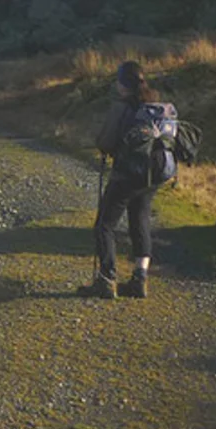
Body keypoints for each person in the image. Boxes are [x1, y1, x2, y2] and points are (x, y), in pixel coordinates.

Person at [80, 60, 165, 300]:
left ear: (123, 84)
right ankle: (140, 280)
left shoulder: (122, 107)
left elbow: (105, 142)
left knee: (104, 224)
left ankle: (106, 280)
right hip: (151, 176)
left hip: (127, 174)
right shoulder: (154, 105)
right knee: (140, 223)